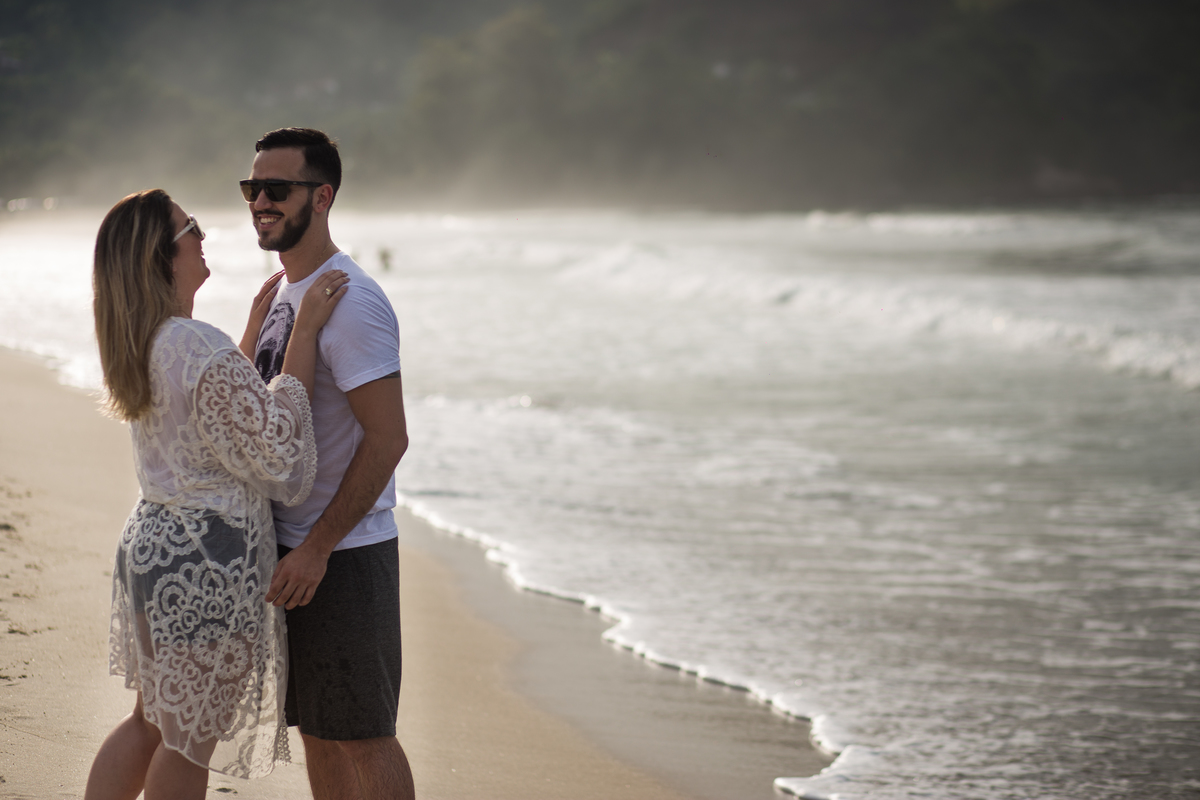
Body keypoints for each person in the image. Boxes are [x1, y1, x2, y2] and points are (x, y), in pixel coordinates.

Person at [84, 189, 349, 800]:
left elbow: (213, 414)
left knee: (151, 723)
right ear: (162, 255)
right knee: (187, 742)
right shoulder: (195, 343)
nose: (203, 237)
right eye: (191, 229)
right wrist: (302, 333)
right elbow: (280, 453)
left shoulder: (147, 339)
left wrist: (251, 333)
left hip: (152, 545)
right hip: (206, 556)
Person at [243, 127, 414, 799]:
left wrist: (317, 548)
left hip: (342, 554)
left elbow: (389, 438)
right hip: (291, 551)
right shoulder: (287, 295)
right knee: (318, 727)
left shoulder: (353, 301)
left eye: (276, 190)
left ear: (322, 197)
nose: (261, 201)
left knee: (364, 734)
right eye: (252, 188)